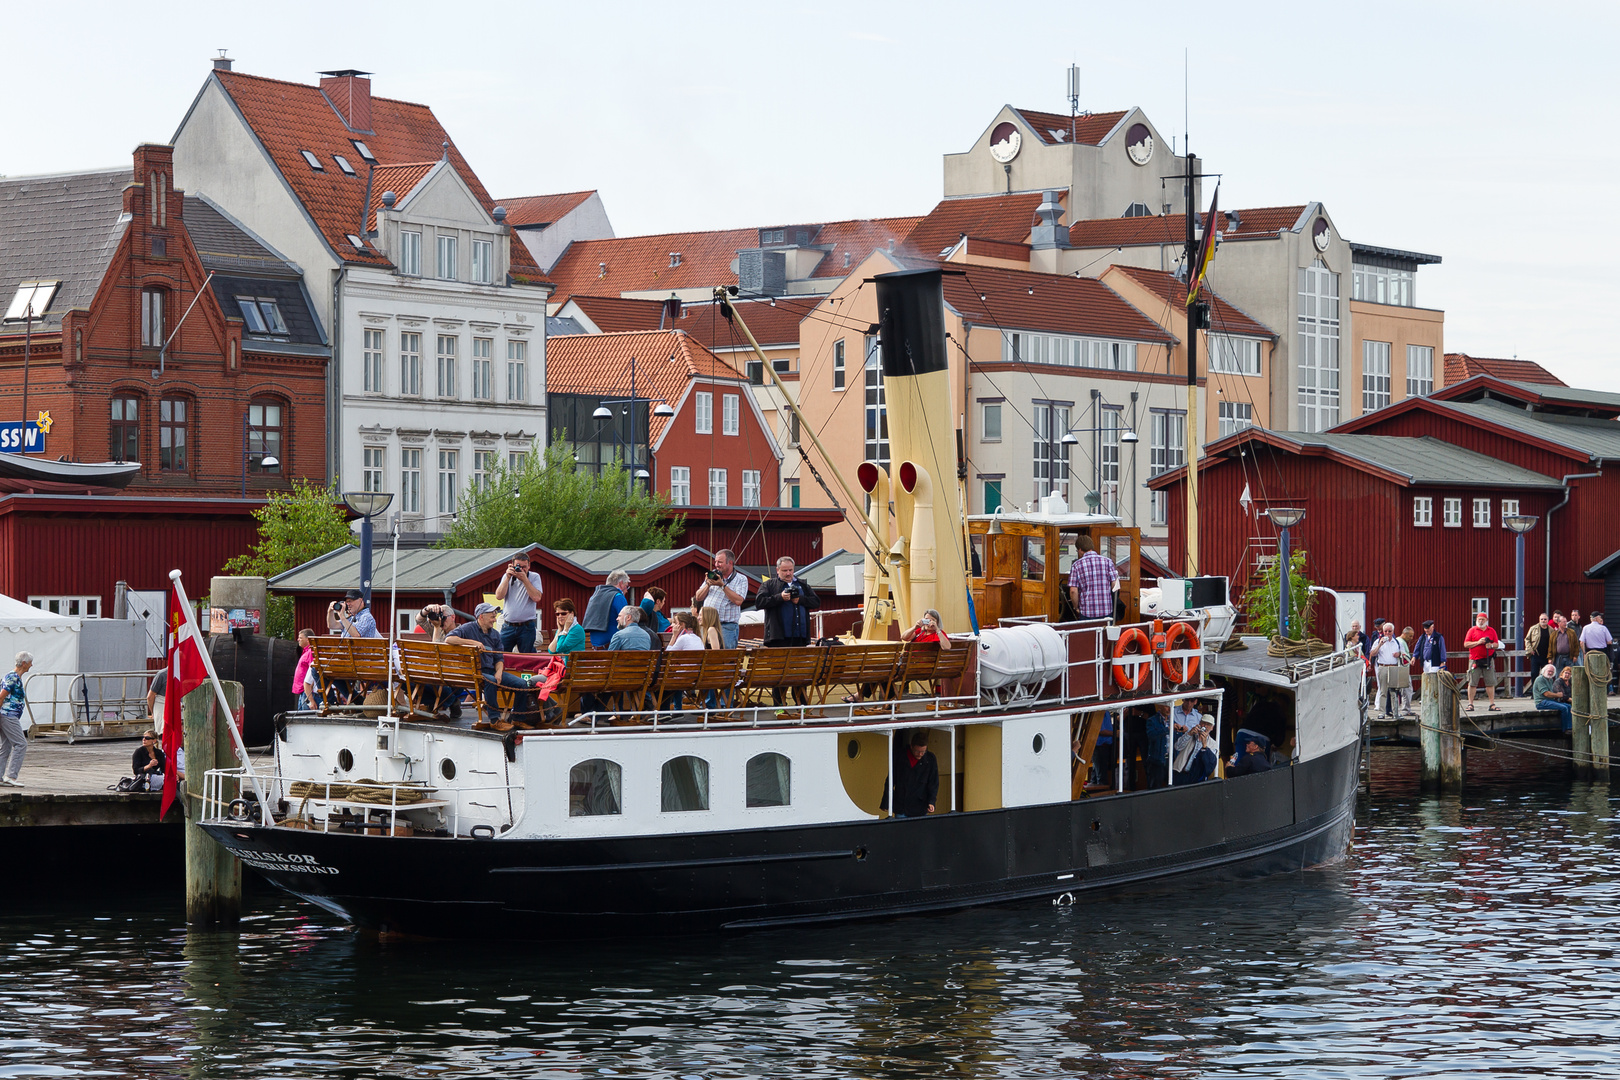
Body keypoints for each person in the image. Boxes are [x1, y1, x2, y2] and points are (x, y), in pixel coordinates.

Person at [446, 602, 535, 727]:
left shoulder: (495, 634)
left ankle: (517, 718)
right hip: (473, 672)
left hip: (491, 671)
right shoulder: (468, 628)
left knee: (521, 684)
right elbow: (448, 639)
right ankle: (494, 720)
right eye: (492, 617)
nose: (494, 620)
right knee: (491, 680)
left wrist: (499, 672)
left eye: (494, 616)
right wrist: (472, 642)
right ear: (481, 617)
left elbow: (499, 658)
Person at [694, 548, 749, 649]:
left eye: (720, 562)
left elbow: (738, 600)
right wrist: (708, 584)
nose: (716, 565)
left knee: (726, 657)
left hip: (726, 626)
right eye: (715, 561)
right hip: (708, 624)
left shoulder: (741, 579)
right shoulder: (713, 575)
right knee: (707, 655)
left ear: (730, 563)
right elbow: (698, 597)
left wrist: (722, 585)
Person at [881, 729, 939, 818]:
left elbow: (933, 783)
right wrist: (886, 802)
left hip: (920, 806)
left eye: (923, 752)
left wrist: (931, 802)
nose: (920, 754)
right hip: (901, 806)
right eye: (917, 751)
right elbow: (891, 780)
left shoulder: (930, 759)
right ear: (911, 746)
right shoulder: (900, 756)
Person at [495, 551, 543, 653]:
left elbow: (536, 597)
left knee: (526, 658)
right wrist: (507, 577)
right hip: (508, 626)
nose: (521, 569)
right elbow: (499, 596)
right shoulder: (507, 576)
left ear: (529, 565)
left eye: (524, 567)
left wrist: (524, 579)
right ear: (512, 565)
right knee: (501, 655)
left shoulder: (534, 577)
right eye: (518, 566)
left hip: (526, 626)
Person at [1067, 535, 1120, 621]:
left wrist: (1076, 607)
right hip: (1106, 610)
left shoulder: (1076, 565)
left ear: (1080, 550)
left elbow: (1073, 591)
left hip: (1087, 612)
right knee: (1106, 634)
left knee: (1088, 634)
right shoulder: (1108, 562)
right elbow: (1115, 585)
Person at [0, 651, 32, 788]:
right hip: (8, 715)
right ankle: (11, 775)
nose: (32, 665)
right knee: (21, 744)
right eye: (30, 662)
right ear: (24, 663)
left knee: (6, 746)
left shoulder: (14, 677)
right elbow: (1, 696)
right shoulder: (12, 678)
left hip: (7, 715)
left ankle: (1, 776)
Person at [1462, 611, 1501, 712]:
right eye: (1479, 619)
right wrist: (1478, 642)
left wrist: (1491, 645)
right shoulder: (1472, 630)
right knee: (1472, 682)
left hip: (1488, 659)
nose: (1481, 621)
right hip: (1475, 659)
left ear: (1486, 620)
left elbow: (1497, 643)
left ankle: (1492, 704)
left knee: (1490, 682)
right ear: (1476, 620)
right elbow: (1466, 644)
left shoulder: (1491, 630)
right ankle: (1470, 704)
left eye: (1483, 619)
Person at [581, 570, 630, 649]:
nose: (627, 590)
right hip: (612, 647)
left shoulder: (594, 596)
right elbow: (627, 620)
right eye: (626, 586)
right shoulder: (618, 596)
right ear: (621, 584)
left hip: (595, 647)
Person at [1371, 622, 1407, 719]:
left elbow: (1404, 654)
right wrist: (1379, 645)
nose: (1387, 633)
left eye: (1389, 631)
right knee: (1383, 691)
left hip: (1394, 667)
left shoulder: (1397, 642)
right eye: (1385, 631)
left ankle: (1395, 712)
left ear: (1393, 632)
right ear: (1383, 632)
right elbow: (1372, 654)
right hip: (1382, 667)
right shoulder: (1378, 641)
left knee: (1394, 691)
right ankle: (1382, 712)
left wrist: (1399, 654)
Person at [1532, 662, 1573, 732]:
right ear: (1544, 671)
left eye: (1552, 672)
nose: (1550, 673)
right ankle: (1565, 729)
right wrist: (1557, 695)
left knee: (1568, 706)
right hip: (1541, 702)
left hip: (1550, 701)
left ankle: (1570, 727)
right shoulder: (1540, 679)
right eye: (1549, 671)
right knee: (1564, 708)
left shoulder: (1550, 679)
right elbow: (1546, 694)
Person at [547, 598, 587, 665]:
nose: (560, 616)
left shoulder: (577, 629)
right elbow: (551, 651)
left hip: (573, 671)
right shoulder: (561, 630)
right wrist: (559, 630)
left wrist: (565, 630)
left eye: (563, 613)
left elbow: (560, 648)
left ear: (571, 614)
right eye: (557, 614)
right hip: (561, 669)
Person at [291, 629, 317, 710]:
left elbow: (313, 672)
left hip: (307, 692)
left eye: (300, 638)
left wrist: (310, 697)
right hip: (303, 691)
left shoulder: (311, 652)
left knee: (305, 717)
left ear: (308, 640)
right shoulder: (306, 652)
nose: (298, 639)